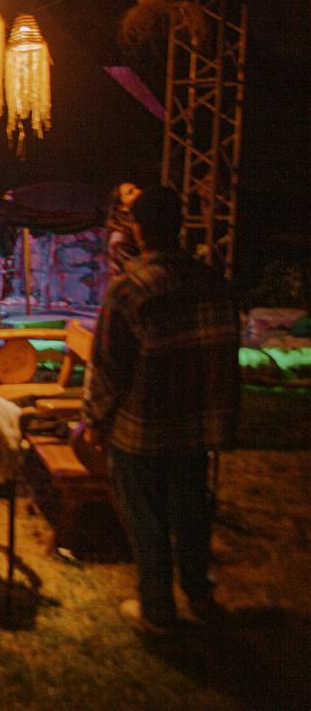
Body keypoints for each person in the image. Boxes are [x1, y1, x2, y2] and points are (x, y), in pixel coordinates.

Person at [84, 186, 239, 633]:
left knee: (147, 517)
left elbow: (109, 363)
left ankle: (157, 608)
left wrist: (94, 418)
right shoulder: (213, 283)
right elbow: (225, 354)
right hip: (196, 428)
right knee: (192, 510)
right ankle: (200, 593)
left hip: (143, 430)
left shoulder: (131, 288)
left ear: (139, 228)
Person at [105, 181, 142, 281]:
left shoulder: (140, 225)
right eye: (130, 192)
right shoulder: (121, 237)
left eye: (137, 188)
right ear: (121, 206)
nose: (139, 191)